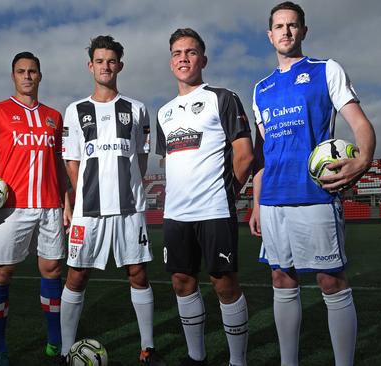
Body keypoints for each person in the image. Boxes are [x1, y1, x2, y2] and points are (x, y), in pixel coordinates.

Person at [249, 2, 376, 366]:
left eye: (293, 25)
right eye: (279, 26)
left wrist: (363, 158)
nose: (286, 32)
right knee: (280, 279)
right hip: (273, 199)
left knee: (330, 281)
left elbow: (360, 123)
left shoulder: (326, 70)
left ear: (303, 31)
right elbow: (264, 152)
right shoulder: (261, 89)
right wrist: (256, 203)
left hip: (315, 196)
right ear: (270, 35)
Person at [0, 52, 68, 366]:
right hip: (11, 208)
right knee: (1, 274)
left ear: (40, 76)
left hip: (49, 205)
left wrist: (67, 201)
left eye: (32, 71)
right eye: (21, 71)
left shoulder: (53, 117)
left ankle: (54, 341)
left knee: (52, 271)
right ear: (13, 76)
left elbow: (58, 164)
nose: (27, 76)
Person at [59, 35, 163, 366]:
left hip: (129, 209)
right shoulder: (75, 111)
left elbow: (141, 160)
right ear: (91, 66)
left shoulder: (137, 109)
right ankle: (64, 352)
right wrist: (82, 196)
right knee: (76, 276)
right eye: (99, 60)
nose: (106, 66)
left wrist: (127, 185)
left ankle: (148, 349)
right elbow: (71, 162)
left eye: (111, 60)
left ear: (120, 65)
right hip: (88, 211)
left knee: (138, 273)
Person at [156, 28, 253, 366]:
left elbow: (244, 155)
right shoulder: (164, 112)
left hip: (214, 210)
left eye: (191, 52)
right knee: (182, 281)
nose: (184, 58)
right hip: (176, 214)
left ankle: (237, 361)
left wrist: (227, 194)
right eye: (178, 53)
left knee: (224, 284)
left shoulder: (222, 97)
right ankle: (196, 357)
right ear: (171, 63)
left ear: (203, 59)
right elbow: (167, 160)